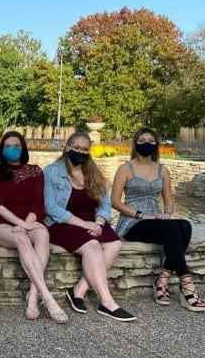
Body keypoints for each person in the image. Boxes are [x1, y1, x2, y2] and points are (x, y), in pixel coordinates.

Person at [44, 130, 136, 322]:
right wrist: (84, 224)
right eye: (76, 148)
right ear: (66, 147)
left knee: (114, 244)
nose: (80, 152)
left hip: (92, 221)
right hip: (63, 222)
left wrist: (98, 222)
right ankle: (107, 302)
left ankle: (79, 289)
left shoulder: (94, 172)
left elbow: (105, 204)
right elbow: (50, 207)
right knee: (93, 245)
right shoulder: (52, 171)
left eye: (85, 149)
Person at [111, 127, 205, 311]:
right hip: (132, 221)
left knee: (184, 225)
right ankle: (187, 285)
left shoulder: (163, 170)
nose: (146, 143)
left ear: (156, 145)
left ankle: (162, 279)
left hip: (157, 220)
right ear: (135, 144)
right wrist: (140, 214)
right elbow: (114, 201)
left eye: (150, 140)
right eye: (142, 140)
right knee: (171, 229)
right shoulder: (125, 168)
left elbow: (169, 202)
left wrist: (167, 213)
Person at [0, 131, 67, 324]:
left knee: (43, 234)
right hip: (0, 223)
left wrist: (28, 223)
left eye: (17, 146)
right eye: (8, 146)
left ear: (23, 148)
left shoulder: (35, 171)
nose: (13, 149)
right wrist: (21, 225)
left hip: (29, 220)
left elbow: (38, 202)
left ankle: (32, 295)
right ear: (2, 149)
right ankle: (48, 298)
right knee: (21, 238)